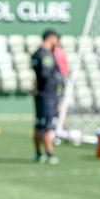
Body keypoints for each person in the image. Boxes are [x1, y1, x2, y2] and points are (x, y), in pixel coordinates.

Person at [30, 29, 68, 164]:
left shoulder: (36, 53)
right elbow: (46, 75)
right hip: (48, 95)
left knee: (39, 124)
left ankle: (38, 153)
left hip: (41, 93)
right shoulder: (46, 55)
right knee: (47, 126)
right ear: (51, 38)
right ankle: (50, 153)